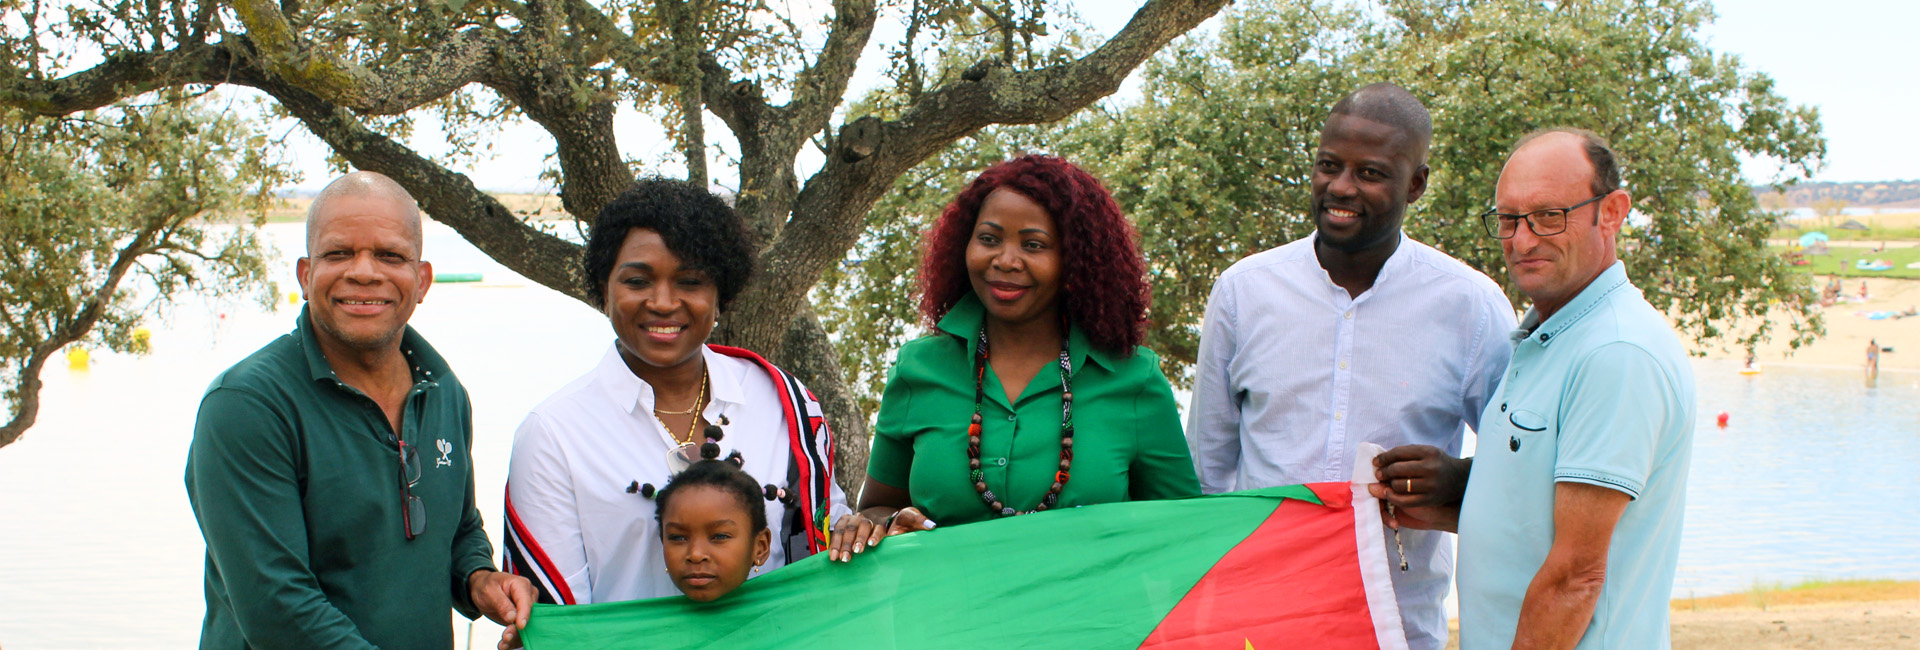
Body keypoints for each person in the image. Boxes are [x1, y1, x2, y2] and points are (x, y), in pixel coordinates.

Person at [1184, 82, 1514, 650]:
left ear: (1416, 184)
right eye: (1329, 165)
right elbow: (1206, 475)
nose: (1340, 187)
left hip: (1398, 626)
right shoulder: (1243, 292)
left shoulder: (1472, 307)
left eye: (1370, 173)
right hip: (1258, 622)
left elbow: (1520, 469)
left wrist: (1459, 478)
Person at [1374, 128, 1696, 649]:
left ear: (1611, 212)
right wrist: (1439, 501)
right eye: (1508, 219)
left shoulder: (1616, 353)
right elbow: (1537, 523)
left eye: (1549, 216)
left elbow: (1576, 577)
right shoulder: (1550, 338)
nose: (1522, 241)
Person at [186, 172, 534, 649]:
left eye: (390, 255)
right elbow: (278, 608)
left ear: (422, 280)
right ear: (305, 276)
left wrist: (479, 579)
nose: (365, 272)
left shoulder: (443, 390)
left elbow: (458, 528)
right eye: (339, 254)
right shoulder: (247, 405)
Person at [501, 178, 847, 607]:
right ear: (603, 290)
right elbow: (557, 619)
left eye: (690, 281)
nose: (663, 302)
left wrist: (870, 528)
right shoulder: (554, 434)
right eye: (637, 281)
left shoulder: (784, 402)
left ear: (721, 294)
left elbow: (826, 537)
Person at [832, 154, 1200, 556]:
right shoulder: (917, 369)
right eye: (989, 239)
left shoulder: (1135, 378)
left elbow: (1186, 532)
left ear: (1075, 259)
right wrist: (882, 524)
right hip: (942, 597)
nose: (1005, 261)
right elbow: (877, 508)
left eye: (1033, 245)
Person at [654, 440, 778, 602]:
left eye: (719, 536)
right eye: (678, 537)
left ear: (760, 547)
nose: (696, 555)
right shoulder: (635, 617)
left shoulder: (795, 615)